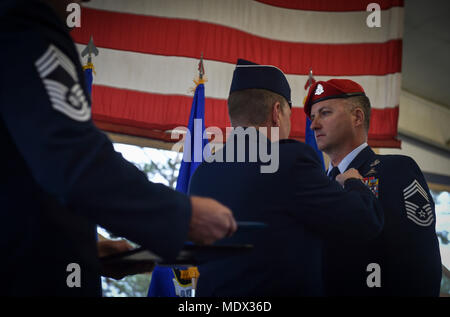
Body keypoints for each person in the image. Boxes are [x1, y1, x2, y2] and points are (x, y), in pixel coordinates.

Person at [0, 0, 236, 296]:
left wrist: (84, 249)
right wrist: (182, 216)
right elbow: (72, 156)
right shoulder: (25, 25)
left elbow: (24, 177)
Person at [188, 59, 384, 296]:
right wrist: (354, 182)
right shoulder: (289, 159)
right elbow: (364, 221)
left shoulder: (201, 175)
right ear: (277, 113)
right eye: (290, 115)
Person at [304, 78, 442, 296]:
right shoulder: (319, 186)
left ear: (357, 117)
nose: (313, 124)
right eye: (312, 117)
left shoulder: (395, 170)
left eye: (325, 113)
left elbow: (419, 259)